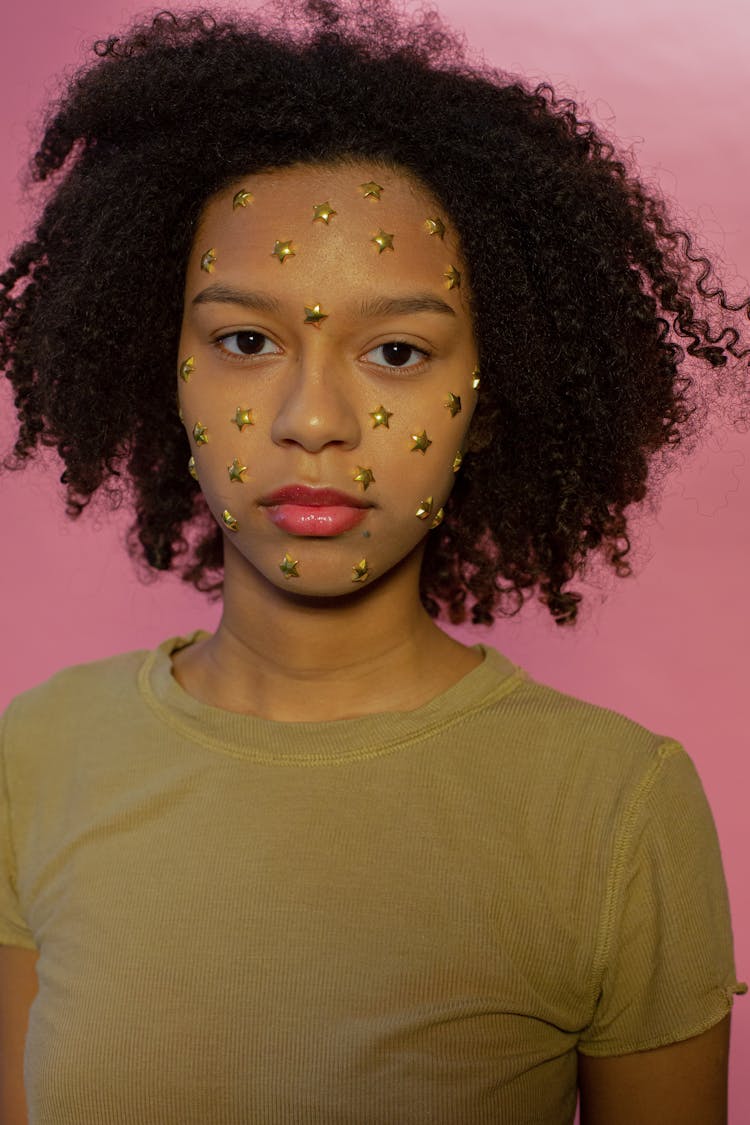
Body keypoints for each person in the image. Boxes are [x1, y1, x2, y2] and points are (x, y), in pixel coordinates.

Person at [0, 2, 747, 1122]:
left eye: (397, 352)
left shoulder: (616, 808)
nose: (314, 420)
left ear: (489, 405)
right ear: (166, 367)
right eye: (246, 342)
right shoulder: (36, 756)